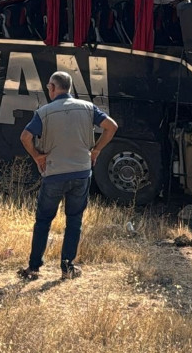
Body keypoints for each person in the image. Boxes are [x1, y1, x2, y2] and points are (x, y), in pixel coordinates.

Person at [17, 71, 119, 281]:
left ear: (53, 88)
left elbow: (25, 137)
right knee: (74, 220)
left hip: (54, 173)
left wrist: (37, 156)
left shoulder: (44, 112)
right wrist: (97, 150)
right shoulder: (88, 108)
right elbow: (111, 126)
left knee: (43, 220)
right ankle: (67, 267)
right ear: (70, 88)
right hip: (81, 172)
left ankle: (34, 267)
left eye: (48, 87)